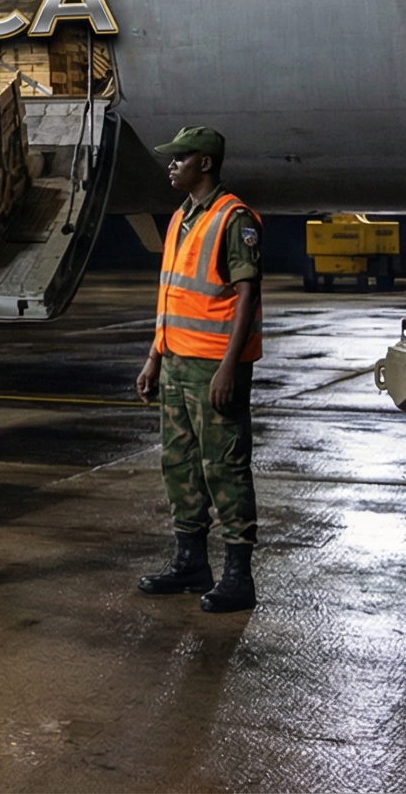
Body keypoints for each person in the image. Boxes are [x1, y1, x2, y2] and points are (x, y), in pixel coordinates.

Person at [132, 126, 263, 614]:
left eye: (179, 159)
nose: (171, 166)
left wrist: (229, 367)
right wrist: (154, 356)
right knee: (180, 466)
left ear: (204, 164)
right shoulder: (181, 219)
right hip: (175, 362)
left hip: (213, 367)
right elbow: (171, 295)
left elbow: (248, 293)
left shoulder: (234, 218)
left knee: (225, 468)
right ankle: (191, 564)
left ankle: (238, 576)